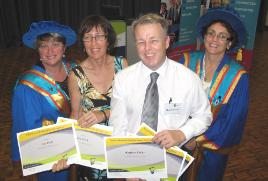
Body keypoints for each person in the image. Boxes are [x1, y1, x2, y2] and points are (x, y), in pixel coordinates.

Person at [110, 13, 212, 158]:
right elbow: (117, 127)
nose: (147, 48)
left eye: (154, 41)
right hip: (132, 156)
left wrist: (182, 133)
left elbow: (204, 116)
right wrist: (126, 168)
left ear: (167, 42)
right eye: (141, 42)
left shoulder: (188, 79)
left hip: (171, 158)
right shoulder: (122, 79)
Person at [52, 15, 128, 180]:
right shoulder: (76, 75)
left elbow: (132, 105)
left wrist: (104, 114)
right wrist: (65, 152)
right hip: (92, 147)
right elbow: (75, 115)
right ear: (83, 43)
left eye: (99, 36)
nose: (94, 43)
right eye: (88, 38)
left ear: (108, 40)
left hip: (121, 139)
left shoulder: (122, 65)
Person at [179, 7, 249, 181]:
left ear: (229, 43)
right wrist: (184, 134)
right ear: (204, 36)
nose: (214, 39)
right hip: (179, 139)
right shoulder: (186, 61)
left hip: (211, 149)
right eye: (211, 33)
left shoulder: (238, 77)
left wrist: (199, 140)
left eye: (222, 36)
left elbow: (233, 120)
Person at [11, 21, 77, 180]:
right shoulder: (28, 86)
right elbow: (27, 129)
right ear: (37, 50)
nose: (50, 51)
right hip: (52, 156)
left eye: (55, 44)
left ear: (64, 47)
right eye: (43, 45)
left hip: (82, 146)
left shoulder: (76, 70)